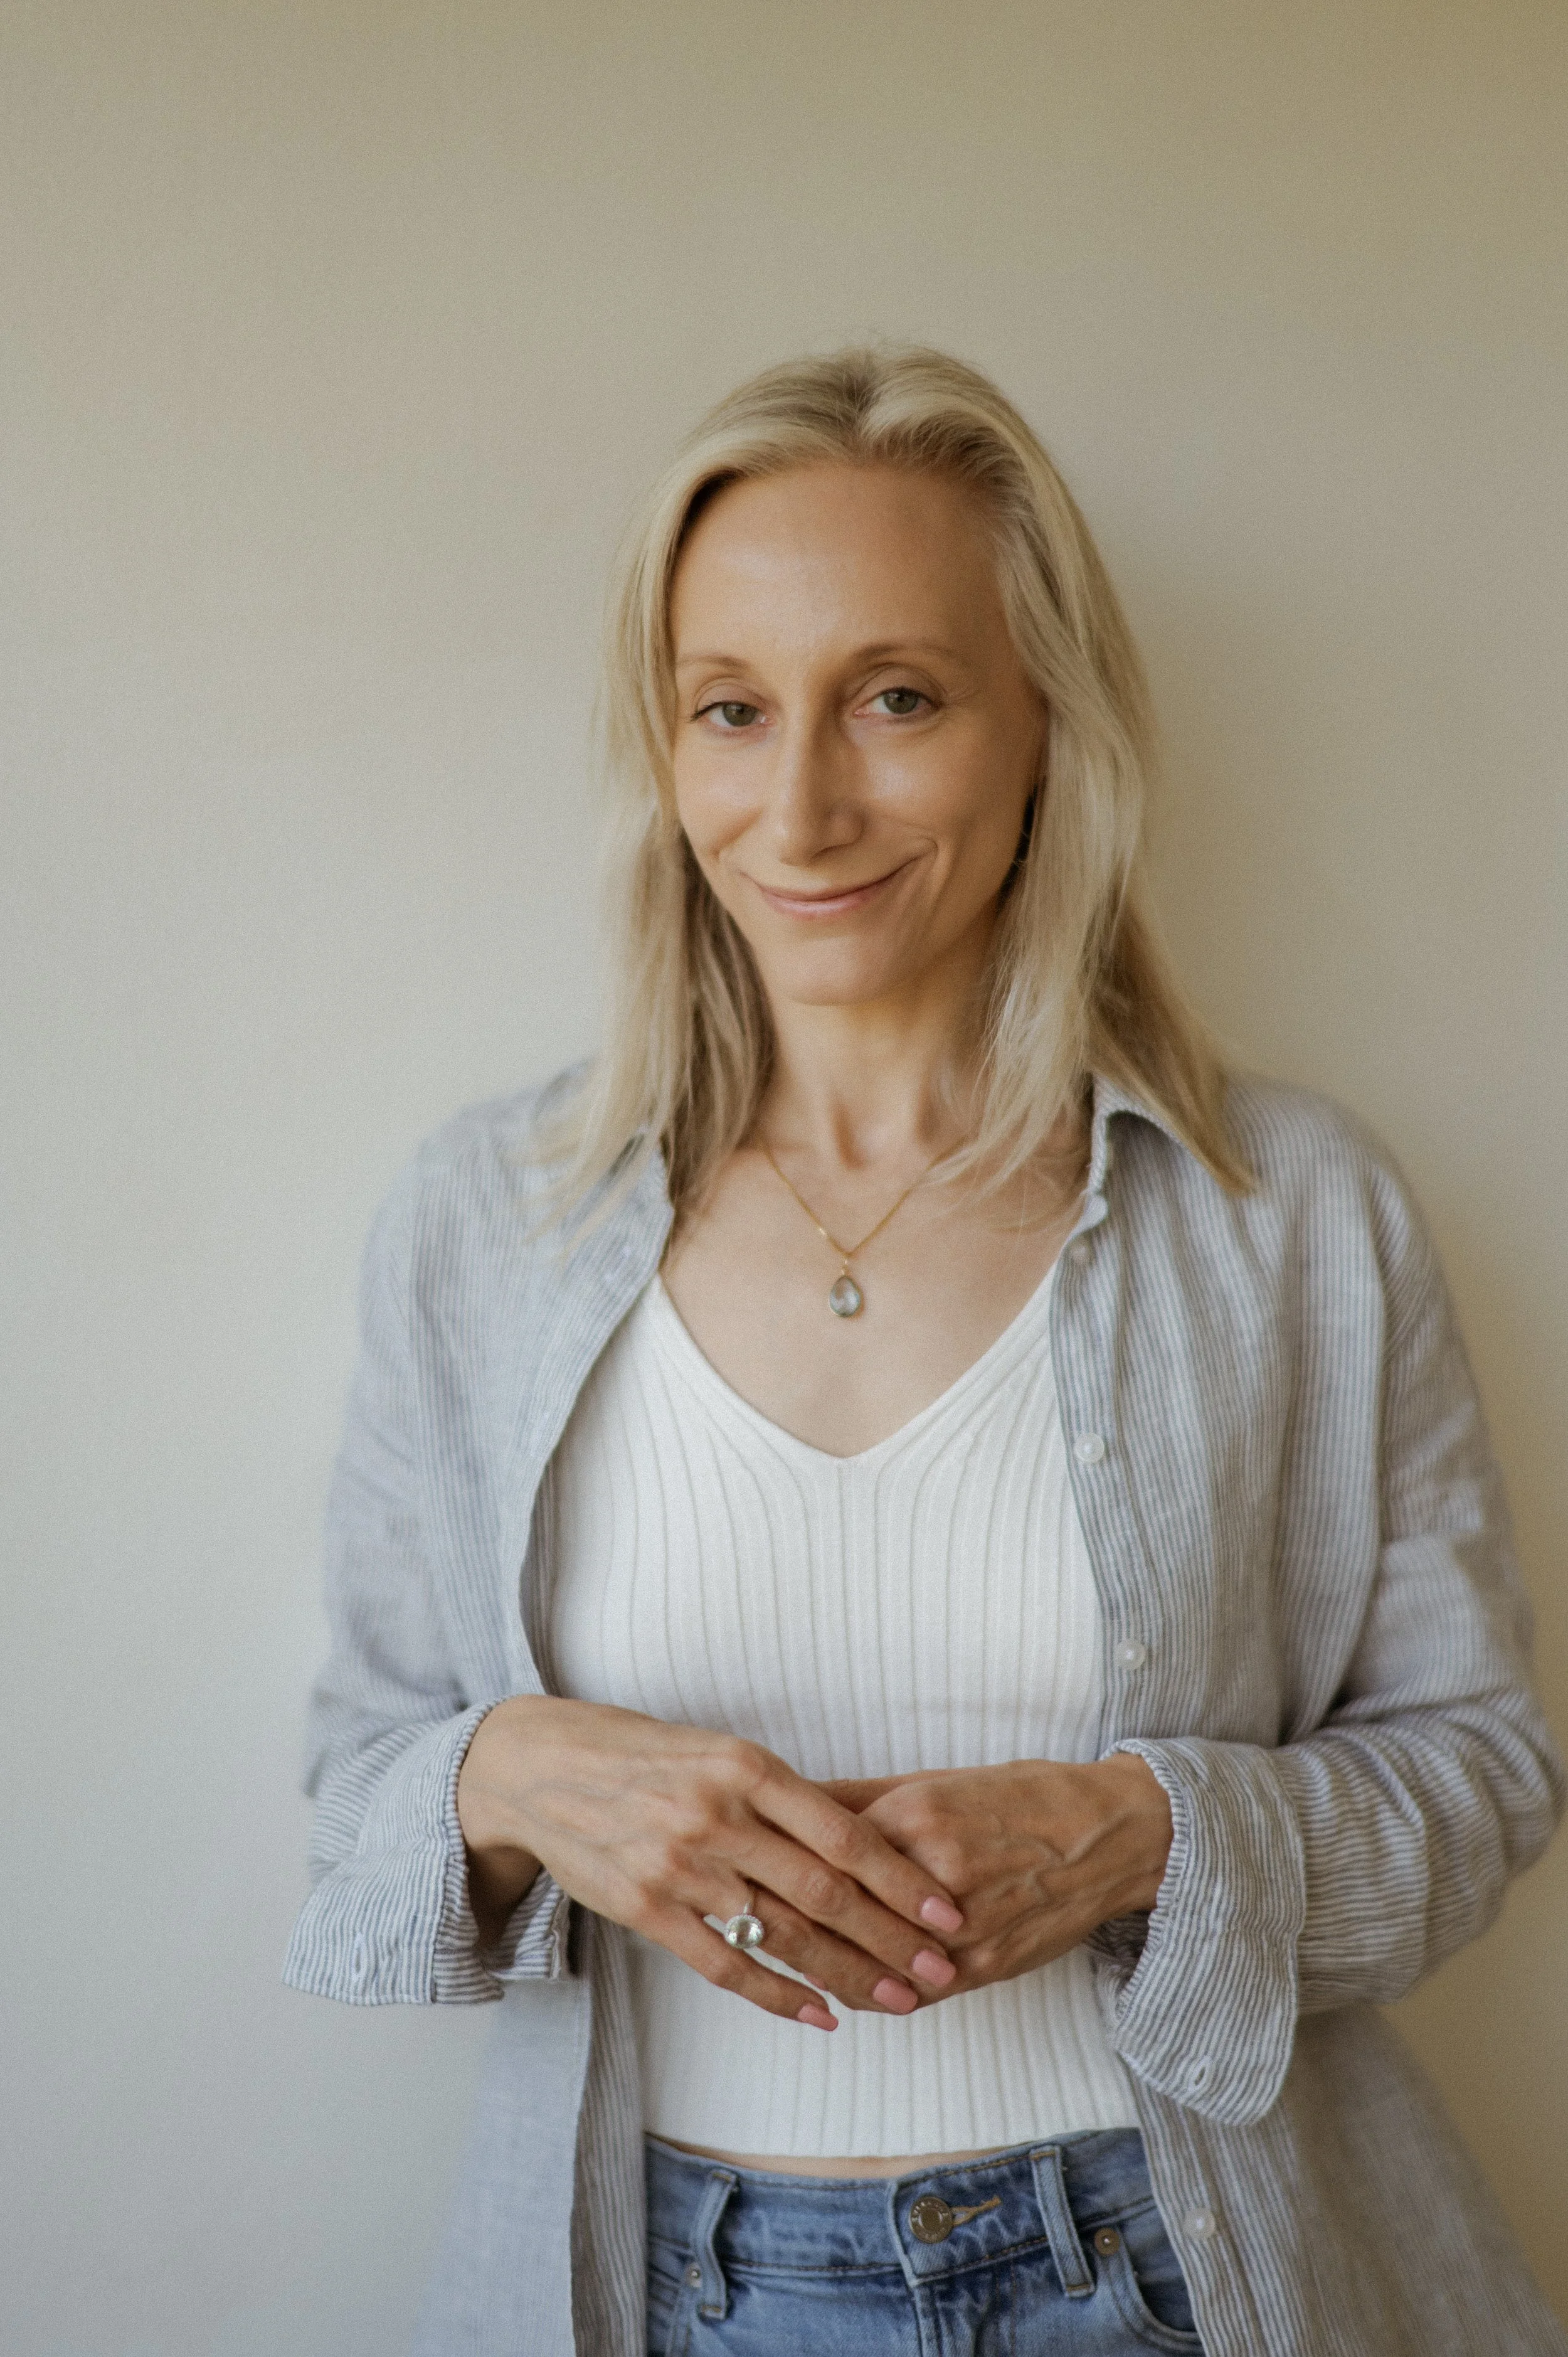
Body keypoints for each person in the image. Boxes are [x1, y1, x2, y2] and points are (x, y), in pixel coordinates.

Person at [284, 347, 1566, 2357]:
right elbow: (357, 1780)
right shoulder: (485, 1227)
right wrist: (516, 1772)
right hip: (663, 2281)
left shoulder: (1293, 1213)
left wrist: (1144, 1831)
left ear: (1043, 722)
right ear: (667, 747)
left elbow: (1479, 1778)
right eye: (730, 710)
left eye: (895, 696)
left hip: (1170, 2268)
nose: (797, 804)